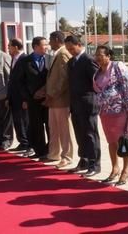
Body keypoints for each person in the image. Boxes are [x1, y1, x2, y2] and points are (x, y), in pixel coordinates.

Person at [93, 45, 128, 186]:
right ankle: (114, 168)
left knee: (123, 141)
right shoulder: (97, 71)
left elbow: (127, 86)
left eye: (101, 55)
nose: (98, 57)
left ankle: (125, 170)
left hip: (120, 111)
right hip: (105, 113)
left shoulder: (118, 66)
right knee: (111, 141)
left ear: (108, 55)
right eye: (96, 55)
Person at [64, 36, 101, 175]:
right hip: (75, 104)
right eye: (67, 49)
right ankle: (84, 160)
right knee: (80, 134)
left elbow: (97, 82)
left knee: (90, 134)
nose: (70, 51)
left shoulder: (89, 60)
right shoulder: (71, 62)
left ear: (79, 45)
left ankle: (94, 164)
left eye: (71, 48)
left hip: (88, 104)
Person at [45, 31, 74, 168]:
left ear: (56, 39)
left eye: (50, 40)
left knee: (63, 129)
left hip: (61, 99)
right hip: (53, 100)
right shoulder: (56, 54)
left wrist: (53, 93)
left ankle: (67, 156)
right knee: (54, 128)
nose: (49, 43)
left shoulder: (63, 54)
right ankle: (54, 153)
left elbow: (64, 78)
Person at [19, 36, 50, 159]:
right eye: (44, 45)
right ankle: (39, 150)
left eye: (47, 44)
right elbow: (20, 82)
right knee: (36, 126)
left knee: (50, 125)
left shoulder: (50, 59)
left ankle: (50, 149)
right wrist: (28, 97)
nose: (47, 47)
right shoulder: (25, 61)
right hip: (33, 100)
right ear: (36, 47)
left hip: (48, 99)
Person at [6, 38, 29, 151]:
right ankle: (22, 142)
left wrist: (26, 99)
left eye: (9, 46)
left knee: (24, 121)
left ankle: (27, 143)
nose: (8, 48)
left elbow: (26, 81)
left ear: (15, 47)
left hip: (22, 98)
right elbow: (12, 80)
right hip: (14, 97)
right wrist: (9, 96)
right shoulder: (13, 58)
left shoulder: (25, 59)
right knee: (17, 121)